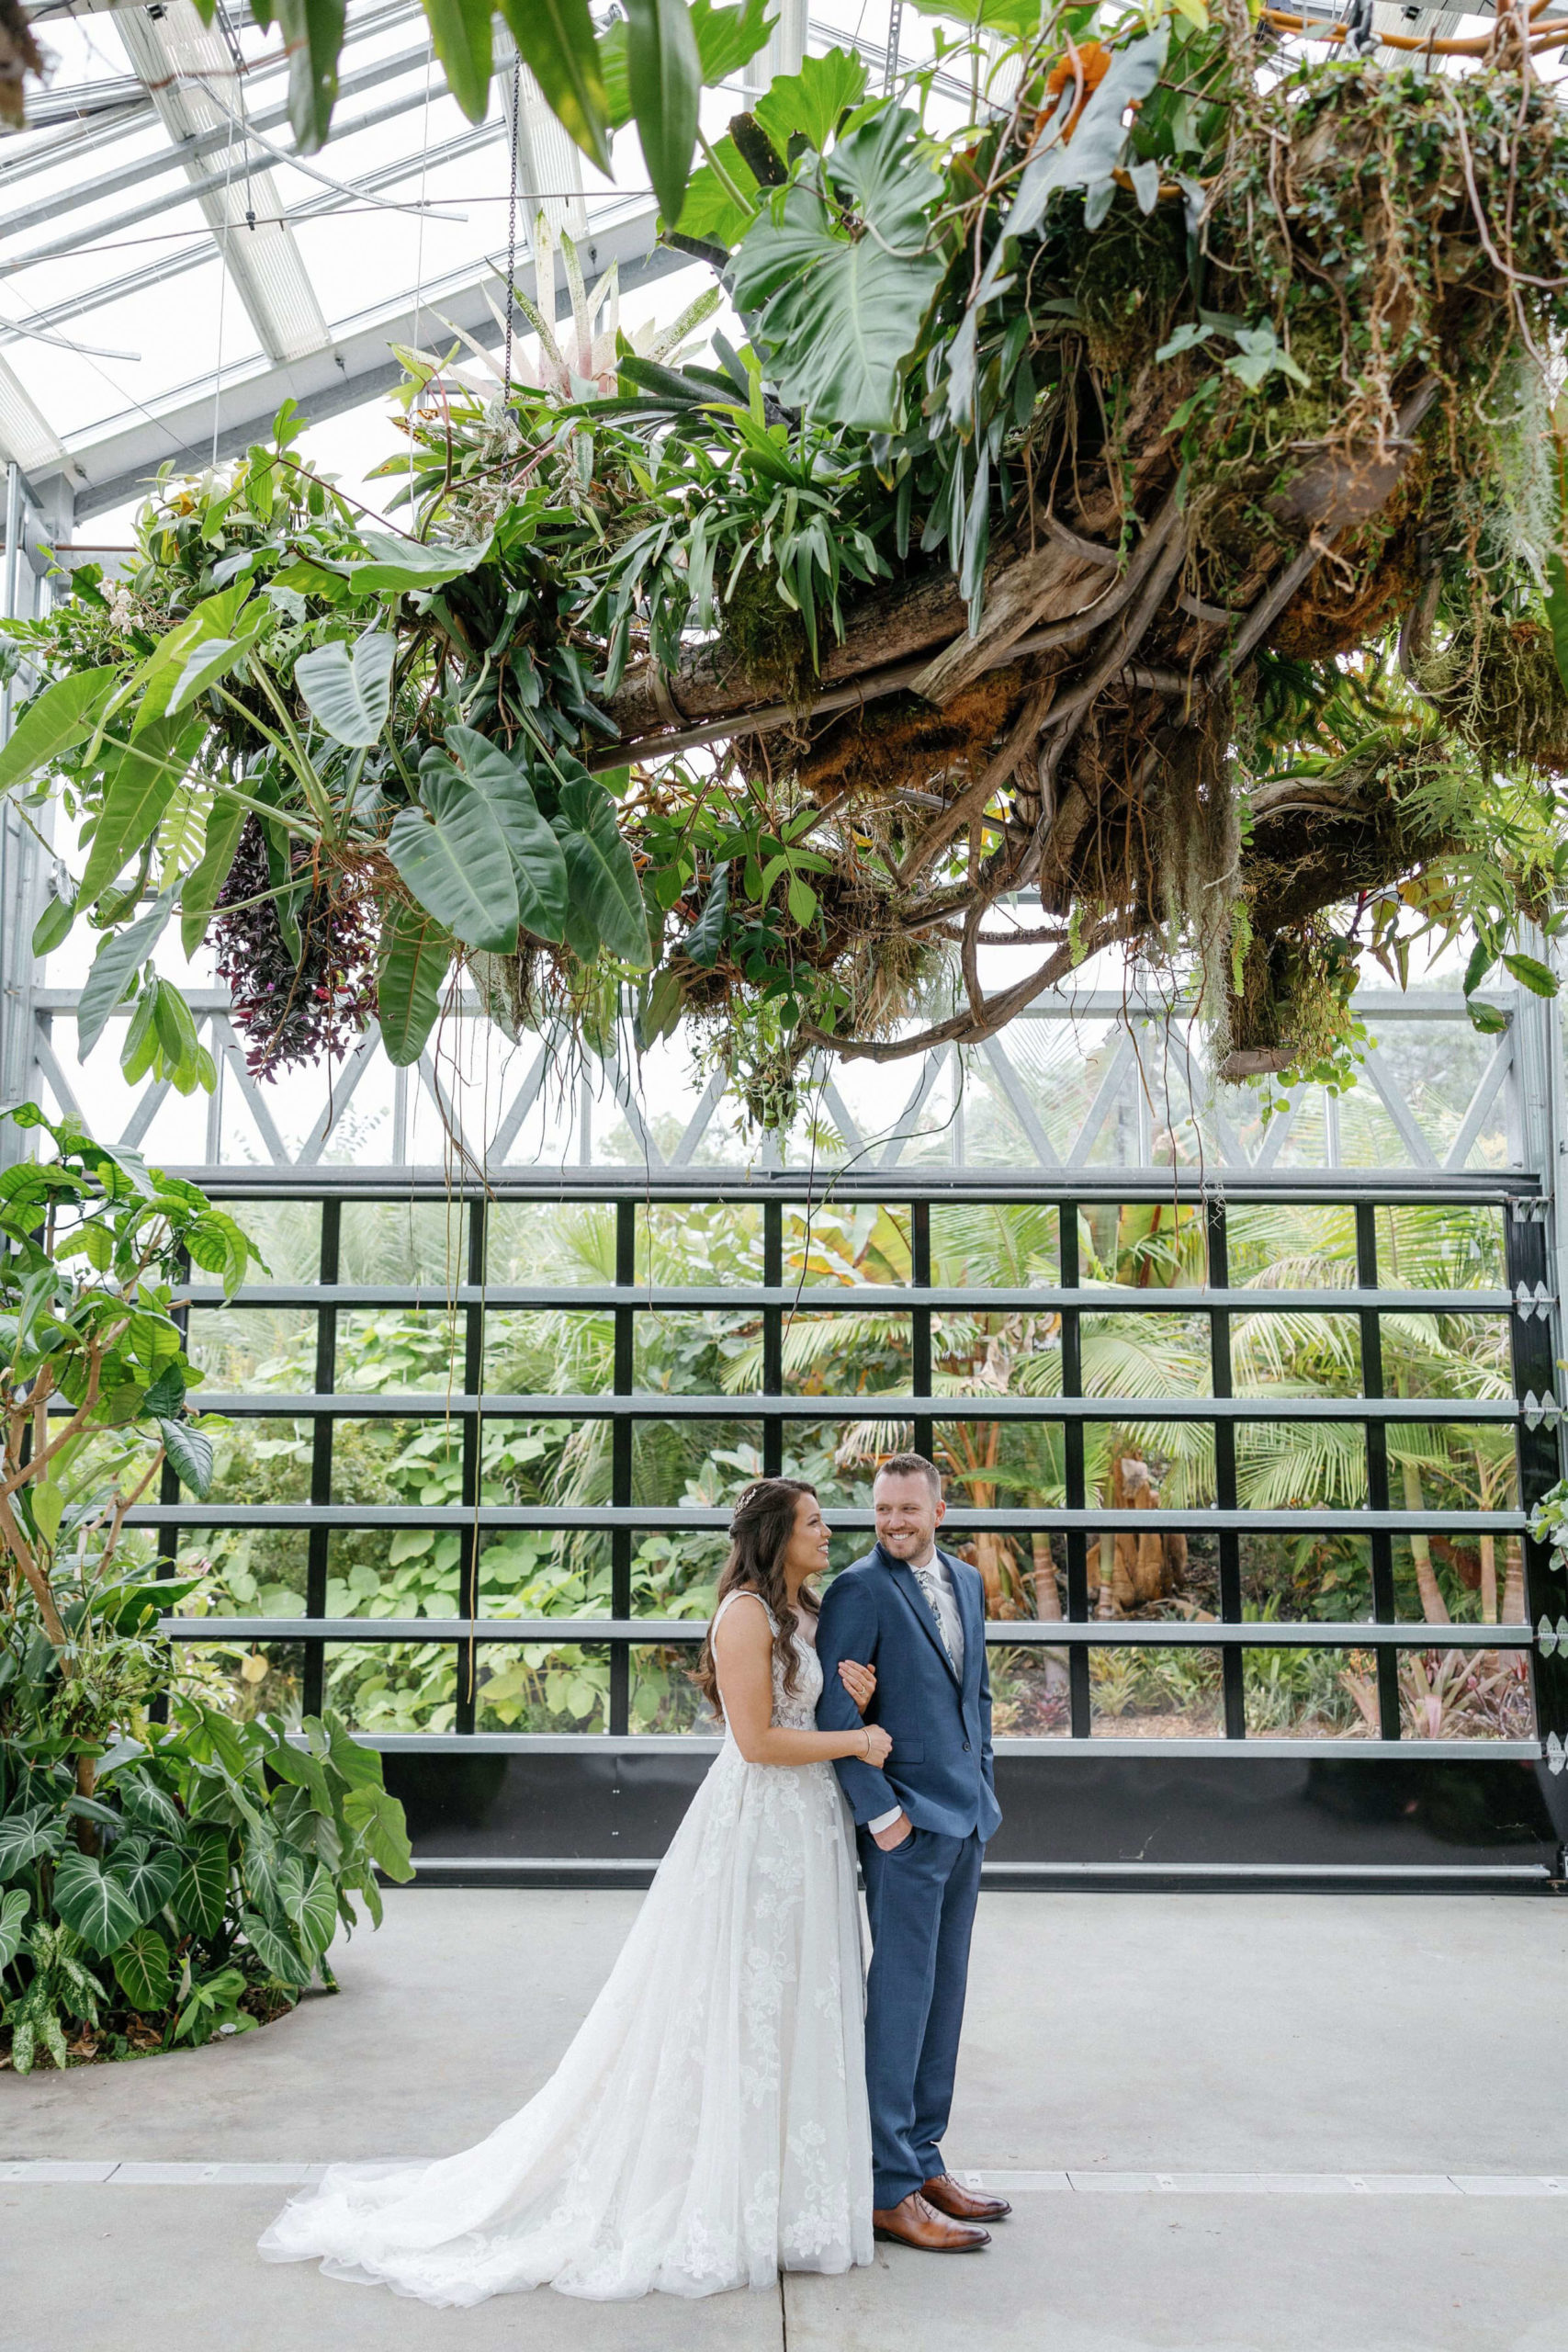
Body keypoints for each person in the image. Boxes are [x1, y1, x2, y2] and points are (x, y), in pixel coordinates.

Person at [257, 1477, 885, 2305]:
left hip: (806, 1834)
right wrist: (858, 1737)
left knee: (794, 2001)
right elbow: (758, 1740)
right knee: (741, 2004)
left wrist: (852, 1700)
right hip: (759, 1831)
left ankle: (786, 2197)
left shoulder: (803, 1613)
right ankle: (724, 2195)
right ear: (775, 1536)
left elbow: (805, 1707)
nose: (828, 1531)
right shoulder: (743, 1614)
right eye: (813, 1522)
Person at [814, 1452, 1010, 2254]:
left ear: (938, 1512)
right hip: (904, 1829)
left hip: (967, 1821)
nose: (892, 1523)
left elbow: (978, 1694)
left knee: (943, 1996)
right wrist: (881, 1815)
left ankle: (925, 2158)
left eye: (906, 1510)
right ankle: (887, 2187)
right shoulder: (858, 1589)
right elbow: (832, 1706)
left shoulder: (966, 1581)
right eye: (881, 1510)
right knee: (898, 2003)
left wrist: (985, 1786)